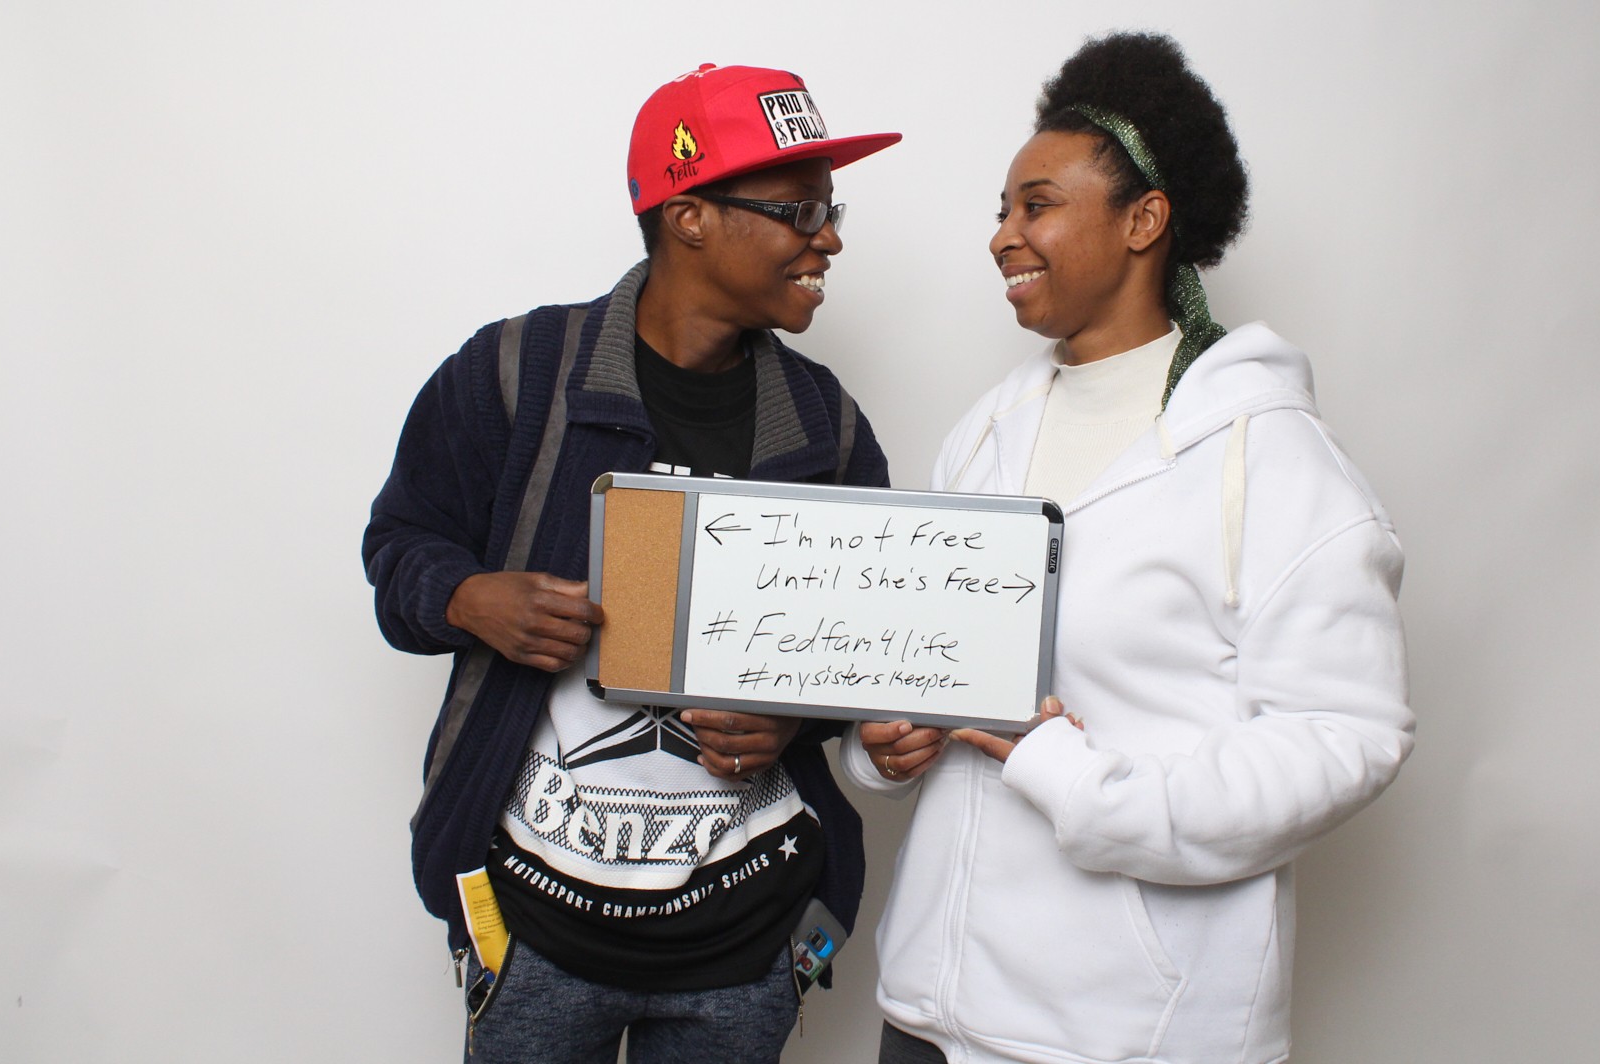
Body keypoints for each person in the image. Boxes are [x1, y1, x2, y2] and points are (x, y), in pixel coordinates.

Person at [847, 33, 1414, 1064]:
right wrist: (884, 744)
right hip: (927, 1012)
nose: (1002, 237)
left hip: (1126, 1033)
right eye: (1001, 211)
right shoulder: (984, 430)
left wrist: (1084, 786)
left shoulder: (1268, 454)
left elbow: (1345, 733)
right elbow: (918, 651)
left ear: (1145, 218)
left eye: (1037, 204)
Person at [363, 63, 898, 1062]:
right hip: (535, 931)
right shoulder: (514, 374)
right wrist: (472, 597)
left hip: (748, 941)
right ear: (689, 215)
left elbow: (867, 658)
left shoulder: (823, 427)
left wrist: (790, 712)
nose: (826, 236)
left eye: (830, 209)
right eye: (798, 209)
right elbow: (396, 552)